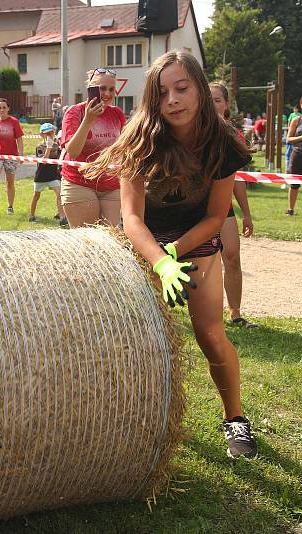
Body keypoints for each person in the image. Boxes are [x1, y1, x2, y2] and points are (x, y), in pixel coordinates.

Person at [89, 49, 256, 459]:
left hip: (195, 237)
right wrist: (160, 261)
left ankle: (235, 419)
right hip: (145, 239)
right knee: (127, 338)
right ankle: (123, 419)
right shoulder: (139, 138)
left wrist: (175, 253)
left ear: (200, 88)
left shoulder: (224, 142)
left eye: (182, 89)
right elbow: (130, 217)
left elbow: (217, 216)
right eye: (162, 93)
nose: (172, 101)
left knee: (210, 333)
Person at [210, 82, 257, 329]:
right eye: (208, 99)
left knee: (231, 257)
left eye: (217, 100)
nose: (212, 104)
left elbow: (237, 179)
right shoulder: (191, 130)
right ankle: (205, 311)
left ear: (226, 105)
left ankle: (235, 313)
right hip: (195, 208)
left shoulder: (234, 135)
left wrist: (247, 215)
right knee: (202, 262)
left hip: (224, 208)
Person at [60, 68, 126, 228]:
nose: (108, 94)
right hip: (79, 183)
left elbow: (124, 149)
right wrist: (88, 120)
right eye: (102, 88)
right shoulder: (75, 112)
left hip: (111, 186)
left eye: (111, 89)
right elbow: (73, 151)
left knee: (111, 241)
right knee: (87, 243)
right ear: (91, 89)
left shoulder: (117, 113)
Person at [28, 122, 65, 225]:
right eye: (47, 134)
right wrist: (48, 147)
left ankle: (62, 217)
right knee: (36, 196)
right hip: (41, 175)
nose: (49, 136)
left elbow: (61, 157)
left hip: (53, 175)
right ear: (41, 134)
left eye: (51, 133)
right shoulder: (39, 146)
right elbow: (43, 161)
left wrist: (59, 146)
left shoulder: (56, 145)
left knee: (59, 194)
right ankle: (31, 215)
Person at [286, 97, 302, 215]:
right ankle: (290, 209)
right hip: (297, 154)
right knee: (294, 183)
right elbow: (289, 139)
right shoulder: (296, 120)